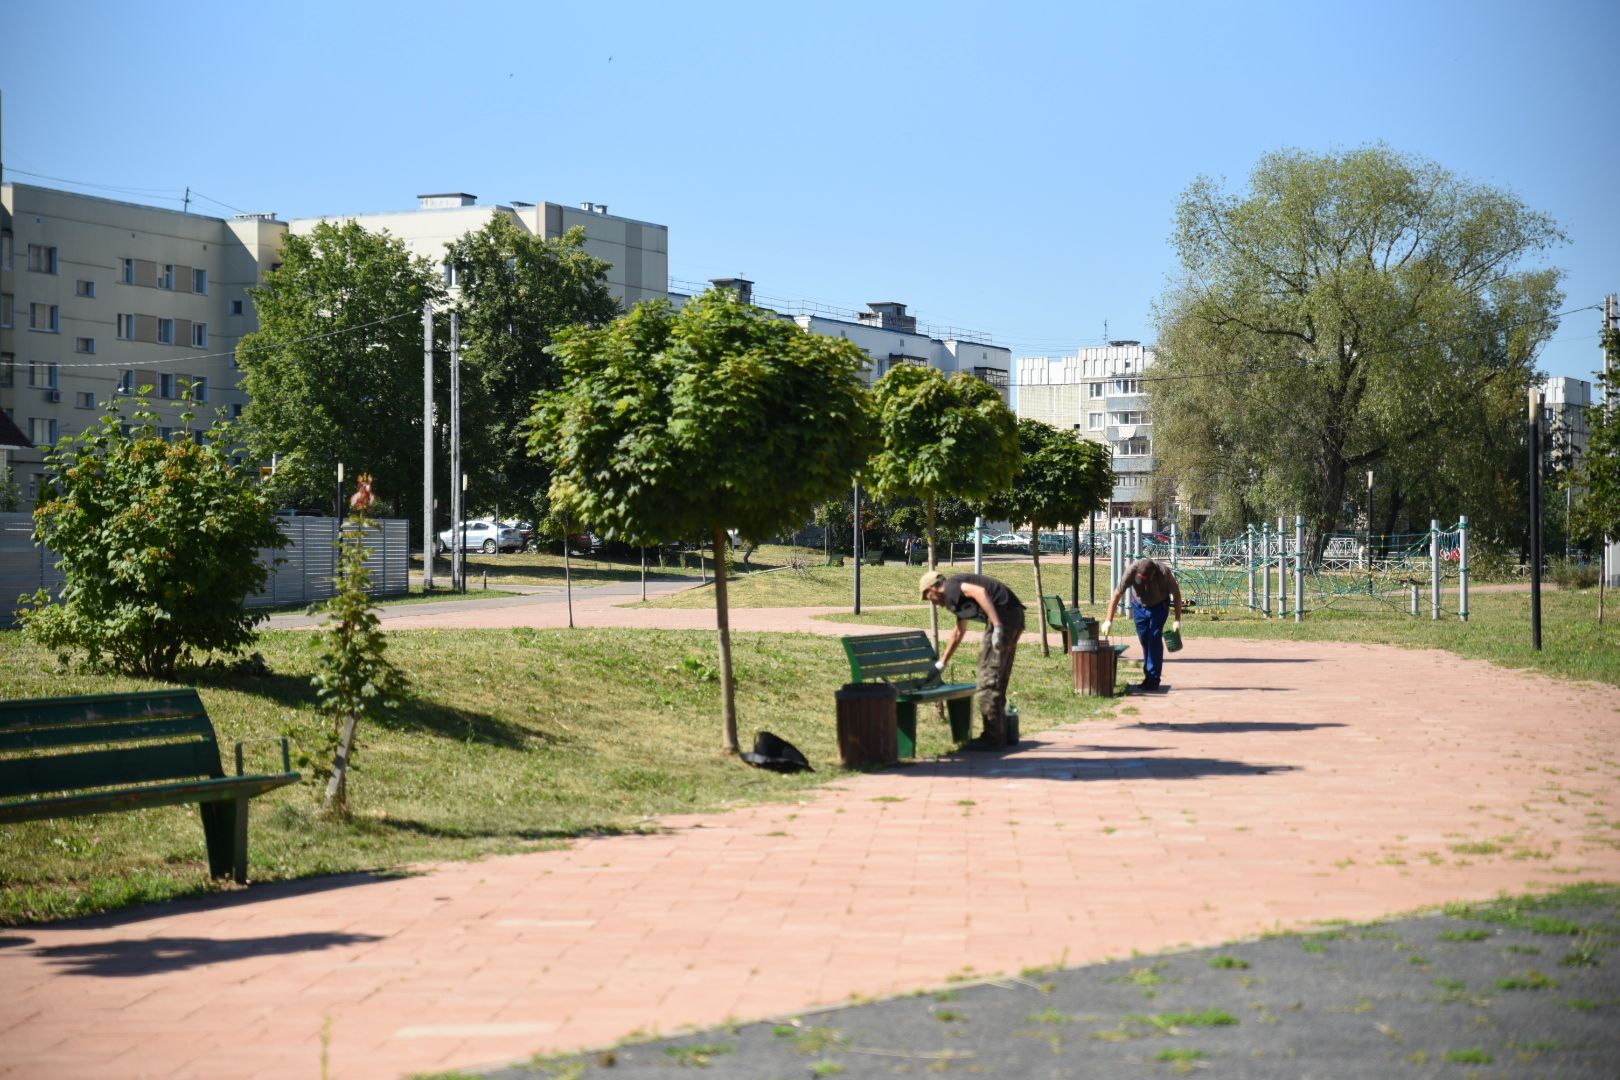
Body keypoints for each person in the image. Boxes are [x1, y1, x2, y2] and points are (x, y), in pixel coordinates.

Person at [919, 569, 1026, 749]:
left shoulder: (951, 588)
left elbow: (979, 592)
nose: (932, 603)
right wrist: (942, 663)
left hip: (1003, 618)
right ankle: (1000, 734)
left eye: (927, 596)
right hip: (1014, 616)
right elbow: (959, 632)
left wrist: (997, 626)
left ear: (933, 588)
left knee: (987, 681)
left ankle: (992, 738)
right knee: (999, 679)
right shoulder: (956, 595)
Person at [1101, 556, 1183, 692]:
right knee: (1144, 639)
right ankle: (1149, 675)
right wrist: (1108, 620)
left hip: (1159, 606)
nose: (1143, 585)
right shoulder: (1131, 571)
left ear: (1153, 575)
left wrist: (1177, 620)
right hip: (1139, 606)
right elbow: (1117, 594)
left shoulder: (1163, 572)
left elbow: (1177, 594)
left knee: (1154, 638)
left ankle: (1153, 678)